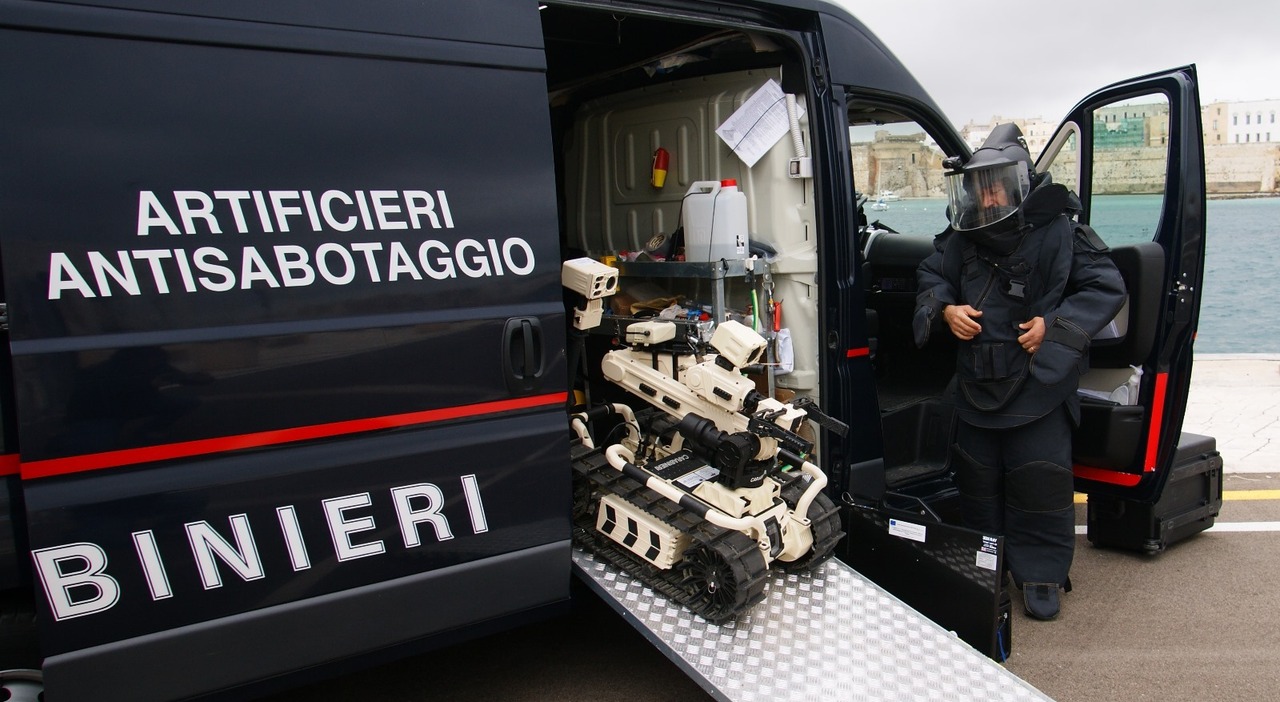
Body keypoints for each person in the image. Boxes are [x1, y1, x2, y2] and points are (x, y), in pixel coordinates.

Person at [912, 124, 1126, 620]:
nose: (988, 195)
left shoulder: (1060, 230)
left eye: (996, 183)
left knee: (1040, 484)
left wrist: (1053, 327)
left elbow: (1105, 286)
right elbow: (930, 276)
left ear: (1020, 183)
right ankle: (988, 570)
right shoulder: (961, 236)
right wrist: (945, 311)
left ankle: (1042, 575)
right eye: (980, 185)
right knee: (978, 487)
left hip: (1038, 388)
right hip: (976, 386)